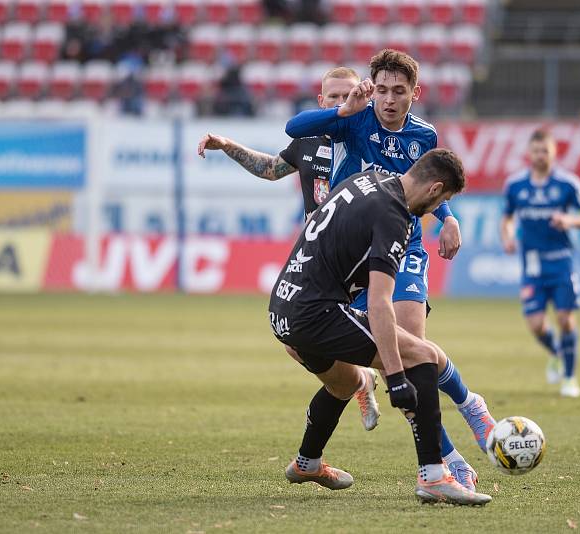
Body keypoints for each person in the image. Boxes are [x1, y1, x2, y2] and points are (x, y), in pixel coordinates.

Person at [285, 49, 495, 488]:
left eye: (398, 91)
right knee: (389, 356)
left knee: (409, 347)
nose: (388, 100)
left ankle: (467, 410)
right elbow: (294, 128)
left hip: (406, 243)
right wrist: (345, 107)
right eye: (381, 89)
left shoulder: (424, 134)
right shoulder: (358, 118)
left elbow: (425, 185)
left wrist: (449, 218)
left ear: (415, 94)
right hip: (358, 253)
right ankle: (448, 453)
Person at [269, 149, 491, 506]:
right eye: (443, 201)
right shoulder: (395, 216)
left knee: (346, 382)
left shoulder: (367, 179)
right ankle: (434, 476)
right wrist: (397, 376)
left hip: (282, 307)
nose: (435, 211)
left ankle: (308, 463)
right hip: (315, 312)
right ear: (435, 190)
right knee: (423, 354)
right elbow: (379, 303)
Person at [198, 67, 382, 433]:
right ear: (322, 101)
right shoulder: (309, 139)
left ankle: (425, 426)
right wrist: (228, 145)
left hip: (364, 257)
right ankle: (360, 382)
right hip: (319, 261)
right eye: (334, 96)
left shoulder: (373, 139)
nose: (342, 102)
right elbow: (270, 169)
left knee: (381, 334)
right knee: (296, 343)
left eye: (349, 95)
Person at [500, 129, 580, 398]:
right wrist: (508, 237)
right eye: (535, 151)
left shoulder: (568, 184)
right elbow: (507, 218)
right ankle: (557, 353)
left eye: (545, 151)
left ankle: (569, 378)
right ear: (528, 153)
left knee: (566, 319)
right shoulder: (515, 185)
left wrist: (570, 221)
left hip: (561, 263)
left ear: (554, 153)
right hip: (531, 265)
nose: (540, 156)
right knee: (535, 325)